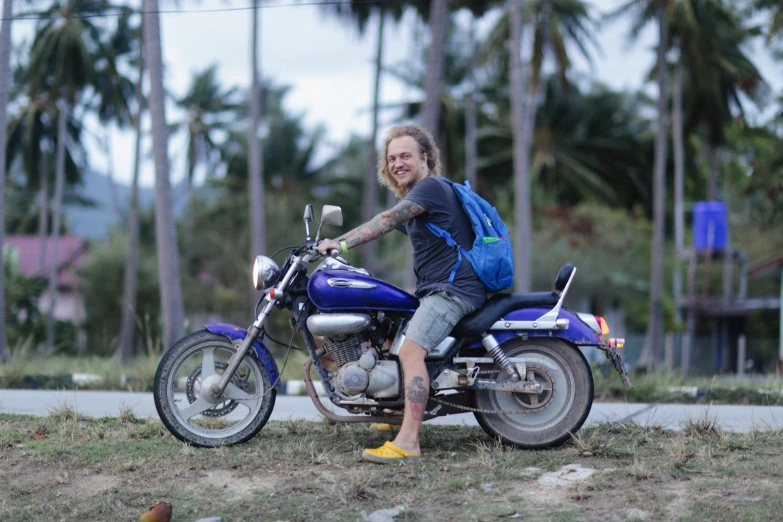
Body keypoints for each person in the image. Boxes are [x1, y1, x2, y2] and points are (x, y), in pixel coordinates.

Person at [317, 123, 486, 463]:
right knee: (386, 332)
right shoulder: (419, 194)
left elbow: (386, 219)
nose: (397, 163)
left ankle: (409, 442)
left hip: (454, 291)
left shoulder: (431, 187)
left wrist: (341, 243)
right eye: (392, 158)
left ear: (425, 158)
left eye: (405, 155)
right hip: (438, 289)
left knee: (410, 353)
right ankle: (391, 413)